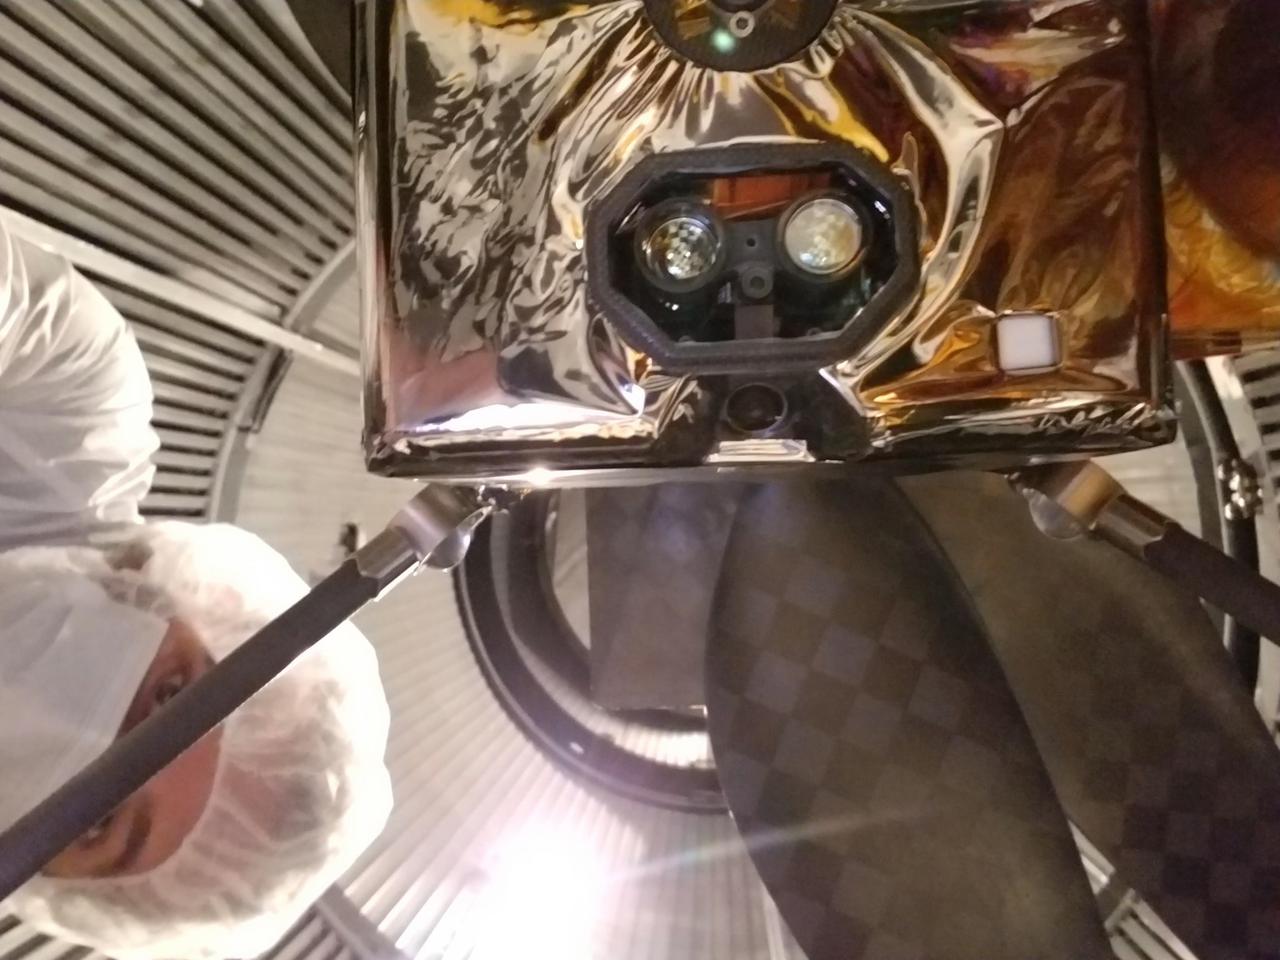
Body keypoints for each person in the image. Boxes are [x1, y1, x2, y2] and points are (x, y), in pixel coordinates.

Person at [0, 219, 393, 959]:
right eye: (174, 697)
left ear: (41, 876)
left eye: (94, 819)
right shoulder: (63, 415)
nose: (85, 732)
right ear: (193, 603)